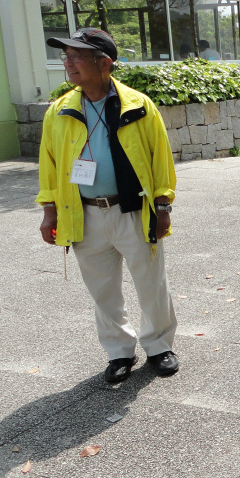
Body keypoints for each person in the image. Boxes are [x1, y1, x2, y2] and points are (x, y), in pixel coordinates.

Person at [36, 28, 179, 384]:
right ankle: (118, 352)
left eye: (76, 56)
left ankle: (159, 346)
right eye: (65, 56)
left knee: (151, 283)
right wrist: (48, 212)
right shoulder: (59, 111)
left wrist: (163, 208)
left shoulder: (139, 106)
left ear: (104, 63)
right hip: (83, 212)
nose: (68, 63)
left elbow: (160, 160)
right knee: (102, 289)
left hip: (132, 209)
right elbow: (49, 165)